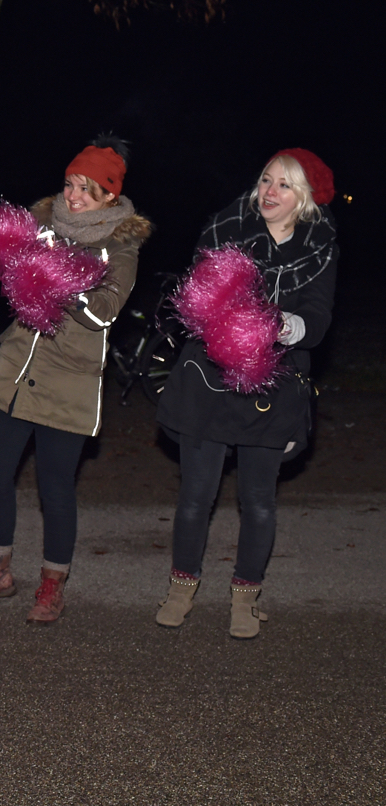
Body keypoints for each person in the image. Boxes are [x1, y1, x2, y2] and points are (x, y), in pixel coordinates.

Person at [0, 136, 151, 624]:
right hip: (15, 370)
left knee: (55, 489)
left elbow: (103, 314)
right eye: (69, 184)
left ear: (110, 197)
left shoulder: (120, 245)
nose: (73, 196)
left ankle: (52, 584)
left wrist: (59, 279)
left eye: (86, 189)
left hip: (69, 384)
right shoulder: (40, 222)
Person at [154, 149, 337, 639]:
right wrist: (225, 312)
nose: (269, 192)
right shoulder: (224, 229)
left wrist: (282, 325)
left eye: (283, 185)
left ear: (305, 199)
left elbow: (318, 319)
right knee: (195, 497)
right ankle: (180, 588)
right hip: (211, 381)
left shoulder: (319, 247)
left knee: (258, 502)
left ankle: (245, 596)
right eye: (265, 180)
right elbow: (194, 297)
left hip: (272, 387)